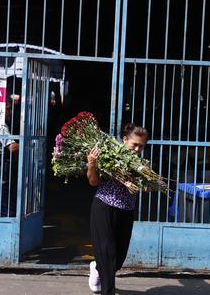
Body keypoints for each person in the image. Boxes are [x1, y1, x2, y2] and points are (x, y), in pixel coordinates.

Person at [86, 123, 149, 294]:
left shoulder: (142, 165)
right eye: (134, 144)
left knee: (118, 259)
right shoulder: (109, 155)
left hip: (126, 211)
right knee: (108, 255)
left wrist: (147, 184)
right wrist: (92, 164)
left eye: (141, 146)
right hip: (104, 207)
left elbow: (146, 187)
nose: (137, 149)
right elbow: (93, 182)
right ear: (124, 140)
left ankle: (97, 267)